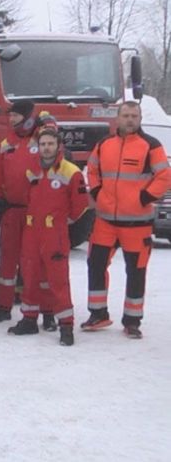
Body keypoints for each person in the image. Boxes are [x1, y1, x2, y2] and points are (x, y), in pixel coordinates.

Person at [83, 100, 171, 339]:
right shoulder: (104, 145)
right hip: (105, 222)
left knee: (136, 271)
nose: (130, 119)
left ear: (140, 119)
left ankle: (132, 320)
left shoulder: (151, 146)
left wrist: (144, 197)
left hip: (137, 224)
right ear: (117, 119)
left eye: (134, 115)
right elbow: (92, 170)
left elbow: (164, 176)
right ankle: (98, 314)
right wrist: (97, 193)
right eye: (126, 115)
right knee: (96, 265)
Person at [8, 128, 88, 346]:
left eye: (50, 144)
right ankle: (29, 319)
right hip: (32, 232)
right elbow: (25, 196)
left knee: (58, 280)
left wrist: (63, 221)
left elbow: (81, 204)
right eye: (43, 144)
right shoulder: (31, 170)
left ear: (58, 145)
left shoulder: (71, 172)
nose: (46, 148)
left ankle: (66, 325)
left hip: (55, 234)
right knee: (30, 277)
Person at [0, 100, 39, 323]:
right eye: (11, 116)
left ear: (27, 117)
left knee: (32, 262)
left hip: (35, 213)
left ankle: (35, 309)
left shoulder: (42, 139)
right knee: (7, 261)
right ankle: (3, 306)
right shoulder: (7, 143)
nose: (12, 119)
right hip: (11, 211)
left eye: (16, 115)